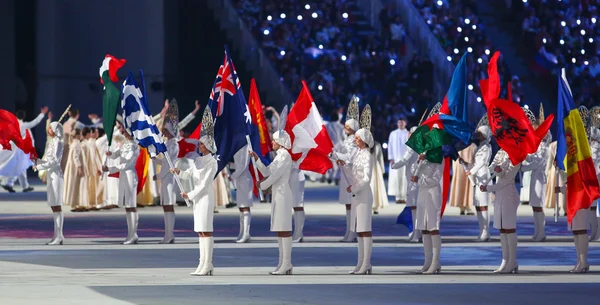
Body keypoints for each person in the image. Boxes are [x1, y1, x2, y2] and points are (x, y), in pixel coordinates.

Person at [173, 107, 218, 276]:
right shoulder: (198, 159)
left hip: (205, 197)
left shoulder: (212, 162)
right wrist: (179, 173)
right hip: (198, 199)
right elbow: (189, 174)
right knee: (200, 230)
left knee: (206, 230)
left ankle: (208, 263)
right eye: (199, 143)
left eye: (201, 144)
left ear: (208, 145)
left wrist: (189, 195)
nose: (198, 146)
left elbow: (205, 183)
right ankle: (202, 263)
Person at [250, 127, 294, 275]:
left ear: (280, 142)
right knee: (279, 229)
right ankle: (282, 262)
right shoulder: (279, 155)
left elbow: (275, 176)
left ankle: (287, 262)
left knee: (284, 228)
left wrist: (262, 185)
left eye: (274, 140)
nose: (272, 142)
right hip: (277, 194)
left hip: (283, 194)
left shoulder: (285, 156)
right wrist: (257, 160)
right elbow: (268, 171)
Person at [340, 118, 374, 275]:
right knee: (359, 229)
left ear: (364, 140)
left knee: (365, 229)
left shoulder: (367, 155)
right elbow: (353, 171)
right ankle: (360, 263)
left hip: (364, 196)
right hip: (356, 195)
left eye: (358, 138)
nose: (355, 139)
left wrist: (354, 186)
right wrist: (344, 166)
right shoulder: (358, 154)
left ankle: (366, 263)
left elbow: (366, 179)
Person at [481, 149, 521, 274]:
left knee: (509, 228)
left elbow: (507, 179)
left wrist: (489, 188)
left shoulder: (516, 154)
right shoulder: (500, 152)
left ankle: (512, 261)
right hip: (499, 195)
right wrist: (495, 168)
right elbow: (491, 166)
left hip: (509, 194)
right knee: (502, 229)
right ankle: (505, 260)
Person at [103, 122, 141, 245]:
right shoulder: (125, 144)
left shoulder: (135, 146)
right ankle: (130, 234)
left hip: (130, 175)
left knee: (131, 205)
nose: (124, 132)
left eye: (126, 131)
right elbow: (117, 154)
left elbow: (127, 163)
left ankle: (134, 234)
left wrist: (110, 169)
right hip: (124, 176)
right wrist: (111, 154)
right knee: (127, 206)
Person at [2, 106, 48, 193]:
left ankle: (23, 185)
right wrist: (42, 114)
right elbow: (35, 122)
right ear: (23, 117)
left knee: (21, 167)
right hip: (21, 150)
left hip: (13, 149)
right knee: (20, 167)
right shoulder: (23, 125)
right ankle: (10, 184)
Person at [33, 121, 65, 245]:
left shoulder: (58, 143)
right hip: (51, 175)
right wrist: (38, 161)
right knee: (53, 206)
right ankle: (57, 235)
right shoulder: (53, 142)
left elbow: (55, 162)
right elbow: (48, 160)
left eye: (50, 128)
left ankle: (59, 235)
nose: (48, 130)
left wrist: (40, 166)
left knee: (57, 205)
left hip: (56, 175)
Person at [333, 97, 359, 242]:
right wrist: (333, 154)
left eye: (347, 126)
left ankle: (353, 231)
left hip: (352, 174)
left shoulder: (355, 141)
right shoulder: (346, 140)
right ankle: (349, 231)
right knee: (348, 205)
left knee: (352, 204)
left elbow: (349, 157)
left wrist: (337, 155)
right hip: (345, 174)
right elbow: (340, 155)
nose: (345, 128)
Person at [413, 152, 444, 274]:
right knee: (424, 228)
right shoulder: (423, 157)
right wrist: (418, 161)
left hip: (432, 193)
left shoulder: (439, 157)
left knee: (432, 227)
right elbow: (413, 170)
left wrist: (420, 180)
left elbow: (436, 179)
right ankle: (428, 260)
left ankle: (435, 262)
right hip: (422, 194)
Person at [390, 126, 420, 242]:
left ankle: (417, 233)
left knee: (414, 207)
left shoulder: (412, 147)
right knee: (414, 207)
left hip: (413, 180)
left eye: (410, 134)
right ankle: (416, 232)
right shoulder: (420, 146)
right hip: (414, 179)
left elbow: (404, 160)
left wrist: (394, 166)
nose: (407, 135)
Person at [464, 125, 492, 241]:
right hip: (477, 177)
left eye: (480, 133)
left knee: (483, 206)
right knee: (478, 206)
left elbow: (482, 163)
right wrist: (466, 165)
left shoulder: (487, 147)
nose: (477, 135)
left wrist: (472, 171)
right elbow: (476, 164)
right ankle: (482, 231)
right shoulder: (479, 146)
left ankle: (486, 232)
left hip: (484, 177)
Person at [521, 133, 551, 242]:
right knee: (534, 206)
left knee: (538, 205)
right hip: (534, 177)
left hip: (540, 178)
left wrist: (523, 168)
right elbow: (532, 158)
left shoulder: (546, 149)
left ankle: (541, 232)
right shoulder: (538, 147)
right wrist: (524, 154)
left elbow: (536, 163)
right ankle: (537, 231)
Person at [153, 121, 180, 244]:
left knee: (168, 205)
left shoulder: (174, 145)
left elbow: (169, 164)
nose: (163, 132)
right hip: (165, 177)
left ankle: (169, 235)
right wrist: (154, 159)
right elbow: (164, 161)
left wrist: (158, 175)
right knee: (165, 206)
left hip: (169, 177)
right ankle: (169, 234)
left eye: (165, 130)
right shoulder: (167, 143)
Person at [555, 183, 590, 273]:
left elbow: (577, 180)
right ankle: (580, 261)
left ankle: (583, 262)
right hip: (574, 198)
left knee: (580, 229)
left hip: (580, 197)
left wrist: (563, 188)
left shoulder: (582, 168)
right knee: (576, 230)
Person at [230, 146, 253, 243]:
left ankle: (246, 233)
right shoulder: (237, 145)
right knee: (241, 207)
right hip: (239, 179)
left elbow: (243, 165)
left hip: (244, 178)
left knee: (245, 206)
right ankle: (242, 232)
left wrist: (232, 175)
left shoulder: (245, 145)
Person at [387, 116, 409, 203]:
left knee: (404, 178)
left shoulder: (408, 134)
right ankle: (398, 197)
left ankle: (404, 197)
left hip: (405, 160)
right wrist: (391, 157)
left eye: (402, 122)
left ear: (405, 123)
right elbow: (390, 146)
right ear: (397, 123)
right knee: (396, 178)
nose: (401, 124)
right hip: (396, 159)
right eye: (399, 122)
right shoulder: (393, 133)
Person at [64, 129, 86, 212]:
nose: (81, 136)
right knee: (76, 185)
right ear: (77, 135)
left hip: (72, 168)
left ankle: (76, 204)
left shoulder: (73, 143)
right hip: (74, 168)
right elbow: (75, 157)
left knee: (74, 185)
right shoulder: (76, 144)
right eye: (80, 134)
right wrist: (79, 167)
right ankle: (76, 204)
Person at [290, 163, 306, 242]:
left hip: (296, 175)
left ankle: (298, 233)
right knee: (295, 205)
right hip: (291, 175)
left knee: (298, 205)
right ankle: (297, 232)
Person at [370, 141, 387, 215]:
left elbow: (380, 157)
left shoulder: (377, 144)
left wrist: (382, 170)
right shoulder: (362, 143)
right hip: (366, 166)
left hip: (375, 168)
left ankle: (375, 207)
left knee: (374, 186)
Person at [589, 127, 600, 242]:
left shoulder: (595, 146)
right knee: (592, 208)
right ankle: (594, 232)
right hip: (593, 179)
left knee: (597, 208)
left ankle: (598, 233)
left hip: (596, 179)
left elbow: (593, 161)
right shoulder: (591, 146)